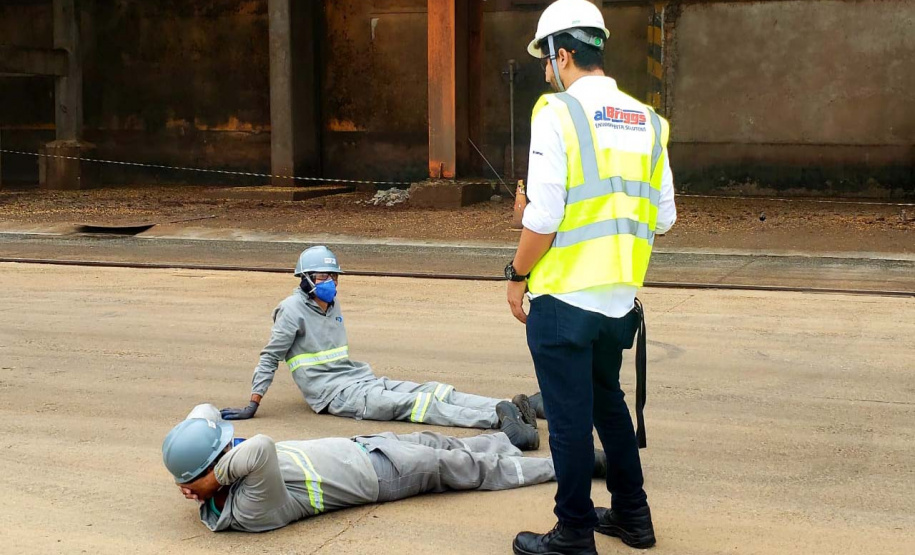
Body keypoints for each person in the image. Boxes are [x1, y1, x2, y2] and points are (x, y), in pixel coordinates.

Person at [505, 0, 677, 552]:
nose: (545, 73)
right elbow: (665, 216)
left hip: (563, 300)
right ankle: (633, 516)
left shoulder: (556, 112)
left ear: (561, 55)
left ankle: (574, 531)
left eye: (545, 62)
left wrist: (516, 271)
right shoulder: (649, 121)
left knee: (569, 418)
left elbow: (545, 217)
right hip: (618, 304)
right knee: (608, 404)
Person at [221, 245, 540, 450]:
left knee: (433, 390)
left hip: (359, 379)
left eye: (334, 275)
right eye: (323, 276)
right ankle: (500, 420)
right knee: (417, 407)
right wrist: (253, 402)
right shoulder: (290, 310)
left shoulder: (330, 304)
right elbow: (270, 356)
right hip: (335, 396)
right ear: (304, 279)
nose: (331, 281)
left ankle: (509, 404)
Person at [163, 404, 610, 533]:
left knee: (441, 442)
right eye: (225, 450)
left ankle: (511, 439)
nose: (234, 444)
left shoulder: (225, 476)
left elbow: (206, 415)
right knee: (472, 469)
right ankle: (568, 466)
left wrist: (203, 470)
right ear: (210, 475)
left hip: (365, 447)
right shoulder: (249, 510)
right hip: (382, 477)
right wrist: (209, 479)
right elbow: (259, 447)